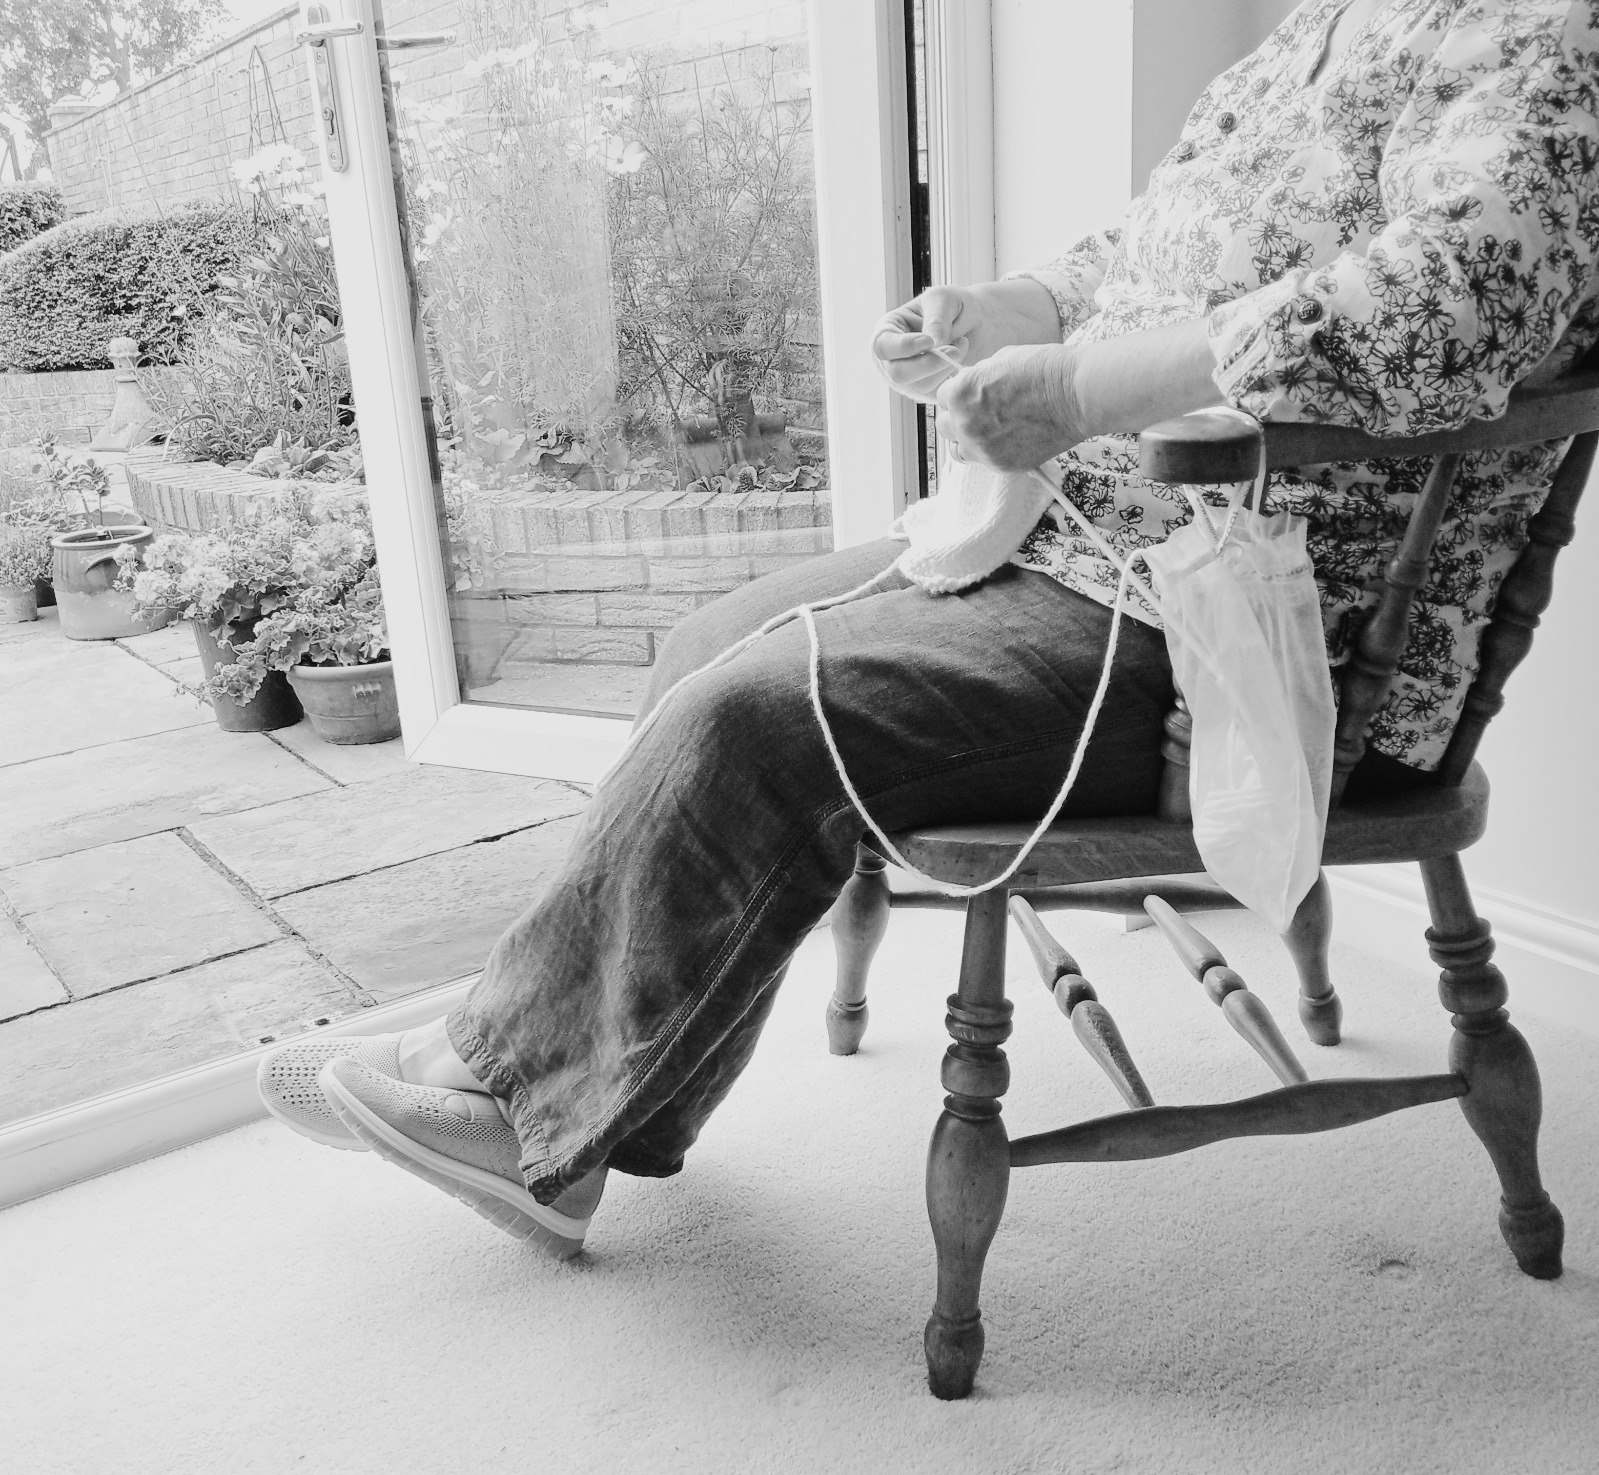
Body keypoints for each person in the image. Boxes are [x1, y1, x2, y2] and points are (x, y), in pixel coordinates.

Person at [260, 0, 1599, 1258]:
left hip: (1258, 640)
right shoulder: (1320, 30)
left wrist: (1084, 384)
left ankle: (519, 1118)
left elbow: (1452, 303)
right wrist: (1015, 310)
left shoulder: (1543, 39)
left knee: (760, 719)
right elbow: (1146, 254)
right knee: (703, 648)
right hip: (1087, 548)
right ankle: (585, 1120)